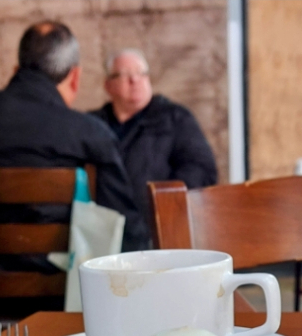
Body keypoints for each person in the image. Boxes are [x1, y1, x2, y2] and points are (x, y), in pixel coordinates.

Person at [0, 21, 146, 274]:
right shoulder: (89, 133)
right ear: (75, 77)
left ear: (17, 70)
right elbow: (125, 225)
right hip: (65, 288)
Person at [90, 49, 217, 220]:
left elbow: (201, 169)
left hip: (160, 223)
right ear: (108, 85)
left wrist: (164, 202)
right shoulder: (92, 125)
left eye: (141, 73)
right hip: (104, 225)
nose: (134, 80)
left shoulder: (175, 118)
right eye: (124, 75)